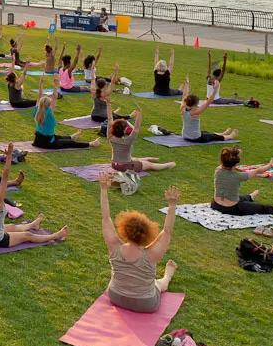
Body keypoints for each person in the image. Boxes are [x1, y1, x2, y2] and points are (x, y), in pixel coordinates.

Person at [99, 171, 179, 312]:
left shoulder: (114, 246)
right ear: (147, 234)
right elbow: (167, 231)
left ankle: (163, 277)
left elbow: (106, 218)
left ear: (124, 229)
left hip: (116, 297)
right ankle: (168, 275)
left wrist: (104, 189)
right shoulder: (152, 255)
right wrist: (172, 205)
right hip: (146, 304)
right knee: (159, 284)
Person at [0, 140, 69, 248]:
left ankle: (33, 225)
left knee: (12, 226)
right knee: (27, 235)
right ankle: (56, 236)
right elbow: (5, 174)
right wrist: (9, 156)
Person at [210, 147, 273, 216]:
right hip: (232, 208)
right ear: (235, 164)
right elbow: (257, 171)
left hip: (215, 204)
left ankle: (250, 197)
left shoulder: (218, 170)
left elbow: (226, 161)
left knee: (239, 198)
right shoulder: (238, 176)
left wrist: (236, 154)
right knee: (260, 207)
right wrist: (271, 165)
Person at [33, 77, 101, 150]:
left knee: (57, 137)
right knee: (69, 143)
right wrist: (55, 84)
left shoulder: (37, 111)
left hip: (38, 140)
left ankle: (72, 137)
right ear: (49, 105)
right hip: (48, 143)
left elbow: (39, 96)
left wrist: (41, 83)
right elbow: (54, 97)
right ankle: (91, 144)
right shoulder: (49, 114)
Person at [107, 100, 175, 173]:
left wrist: (108, 105)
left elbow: (110, 119)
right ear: (124, 131)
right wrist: (139, 112)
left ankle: (147, 158)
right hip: (126, 167)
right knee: (149, 165)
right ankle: (168, 165)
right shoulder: (127, 141)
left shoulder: (110, 137)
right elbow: (137, 127)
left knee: (134, 158)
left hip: (114, 165)